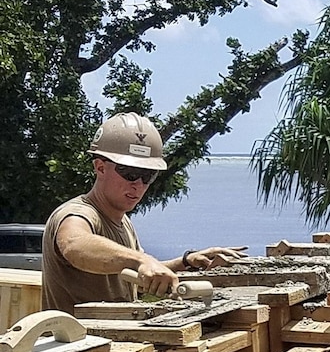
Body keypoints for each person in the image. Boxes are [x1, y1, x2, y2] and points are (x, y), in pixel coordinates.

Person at [42, 112, 248, 314]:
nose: (138, 185)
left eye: (148, 176)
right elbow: (74, 244)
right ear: (100, 167)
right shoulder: (77, 213)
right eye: (130, 174)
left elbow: (137, 271)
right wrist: (142, 260)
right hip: (76, 344)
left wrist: (186, 261)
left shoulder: (123, 222)